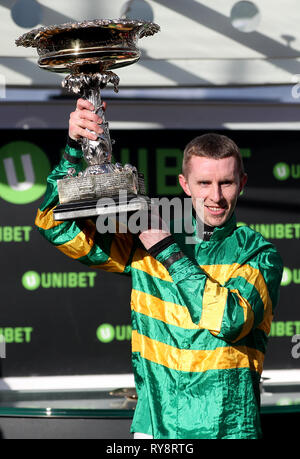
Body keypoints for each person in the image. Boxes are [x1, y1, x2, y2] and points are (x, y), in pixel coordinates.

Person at [35, 98, 283, 439]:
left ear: (241, 183)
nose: (216, 196)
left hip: (227, 429)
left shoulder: (259, 253)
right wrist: (74, 150)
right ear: (184, 184)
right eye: (204, 184)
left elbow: (230, 320)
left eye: (225, 183)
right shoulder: (145, 244)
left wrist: (167, 249)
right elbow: (55, 227)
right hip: (155, 429)